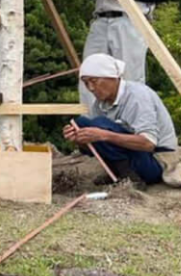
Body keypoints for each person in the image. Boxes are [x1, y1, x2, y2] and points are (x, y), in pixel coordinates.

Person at [65, 53, 178, 185]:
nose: (90, 88)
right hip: (133, 155)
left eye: (94, 81)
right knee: (81, 123)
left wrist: (104, 135)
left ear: (113, 77)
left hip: (155, 159)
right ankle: (120, 172)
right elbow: (98, 145)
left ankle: (129, 176)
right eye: (86, 83)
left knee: (99, 124)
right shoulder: (100, 104)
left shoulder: (137, 96)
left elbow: (148, 143)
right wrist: (79, 138)